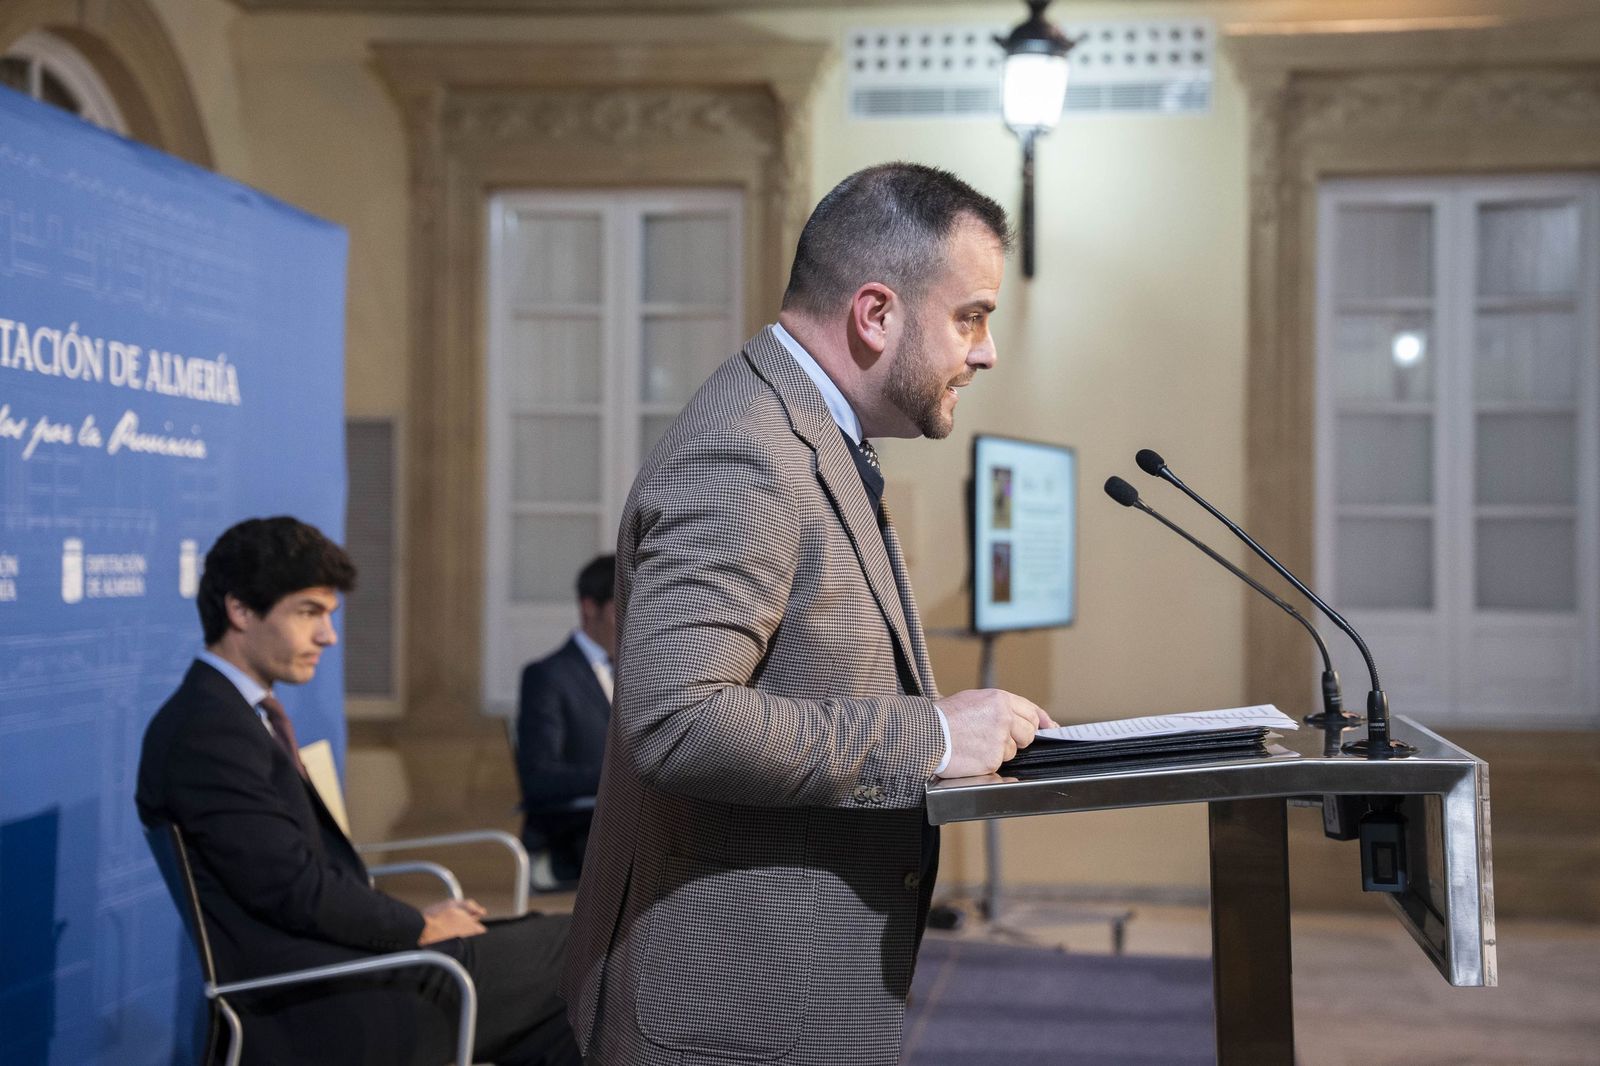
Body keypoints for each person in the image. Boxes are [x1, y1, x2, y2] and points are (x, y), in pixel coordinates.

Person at [561, 162, 1056, 1065]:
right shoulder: (745, 451)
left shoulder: (805, 429)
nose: (984, 352)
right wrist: (932, 742)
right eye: (971, 317)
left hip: (774, 999)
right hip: (724, 1019)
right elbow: (677, 723)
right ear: (876, 315)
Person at [136, 516, 579, 1066]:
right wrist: (418, 925)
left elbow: (303, 875)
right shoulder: (208, 731)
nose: (328, 635)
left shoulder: (231, 718)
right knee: (578, 951)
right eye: (308, 612)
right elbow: (293, 890)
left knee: (563, 966)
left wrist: (416, 921)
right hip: (325, 1007)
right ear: (240, 610)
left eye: (329, 615)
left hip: (348, 976)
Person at [515, 554, 615, 887]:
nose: (636, 619)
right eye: (624, 608)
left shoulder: (643, 673)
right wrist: (622, 776)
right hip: (576, 840)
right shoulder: (548, 676)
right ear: (590, 608)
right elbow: (540, 777)